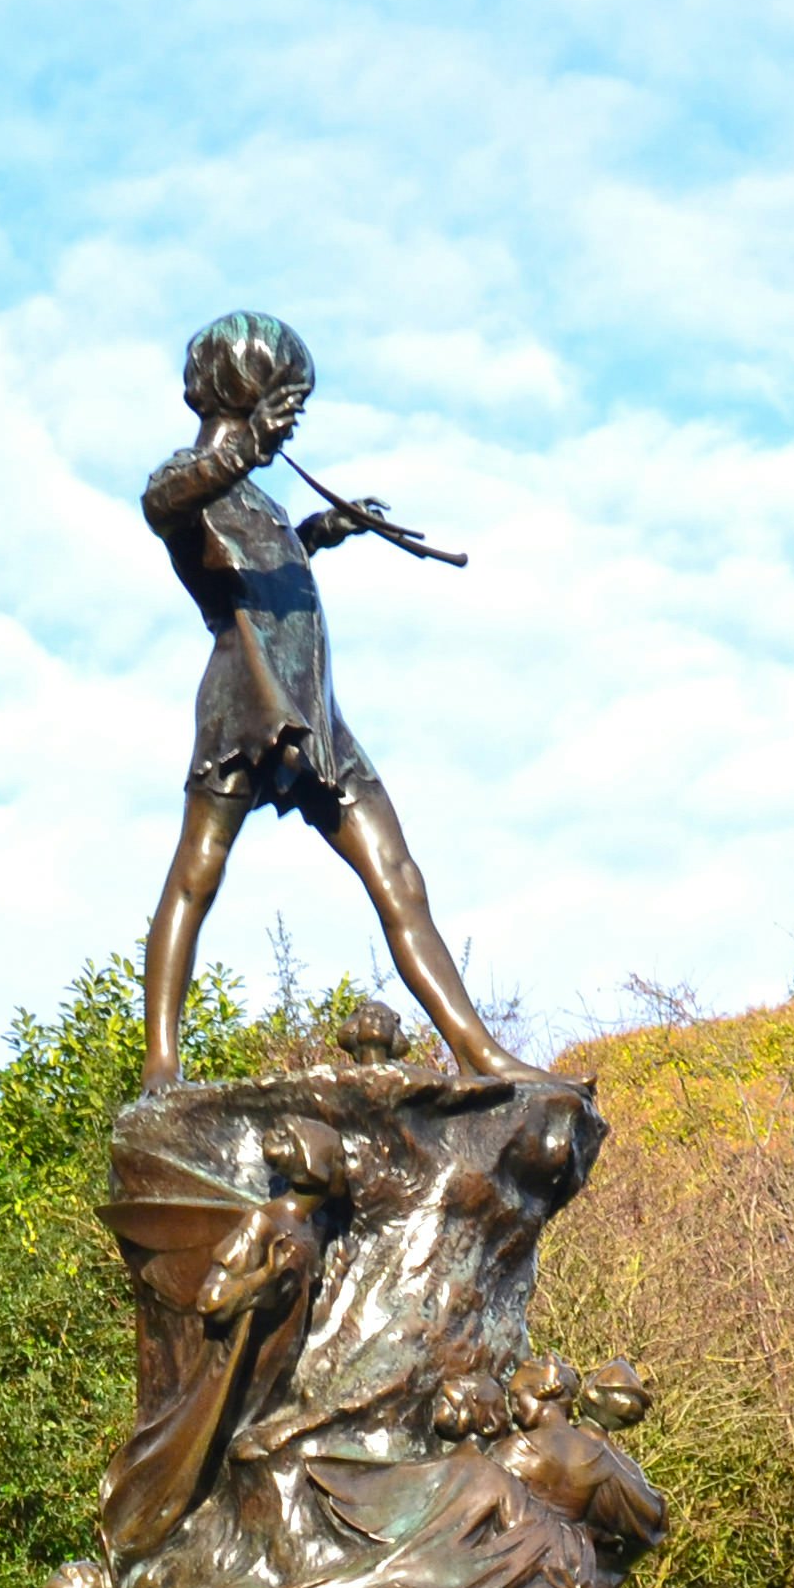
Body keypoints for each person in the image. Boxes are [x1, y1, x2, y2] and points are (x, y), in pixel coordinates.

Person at [134, 312, 531, 1091]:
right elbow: (172, 506)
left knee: (401, 877)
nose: (291, 424)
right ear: (247, 395)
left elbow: (271, 557)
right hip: (246, 703)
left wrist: (323, 529)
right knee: (197, 873)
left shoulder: (259, 501)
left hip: (317, 715)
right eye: (283, 402)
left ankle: (481, 1054)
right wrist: (247, 442)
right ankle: (161, 1062)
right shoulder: (186, 485)